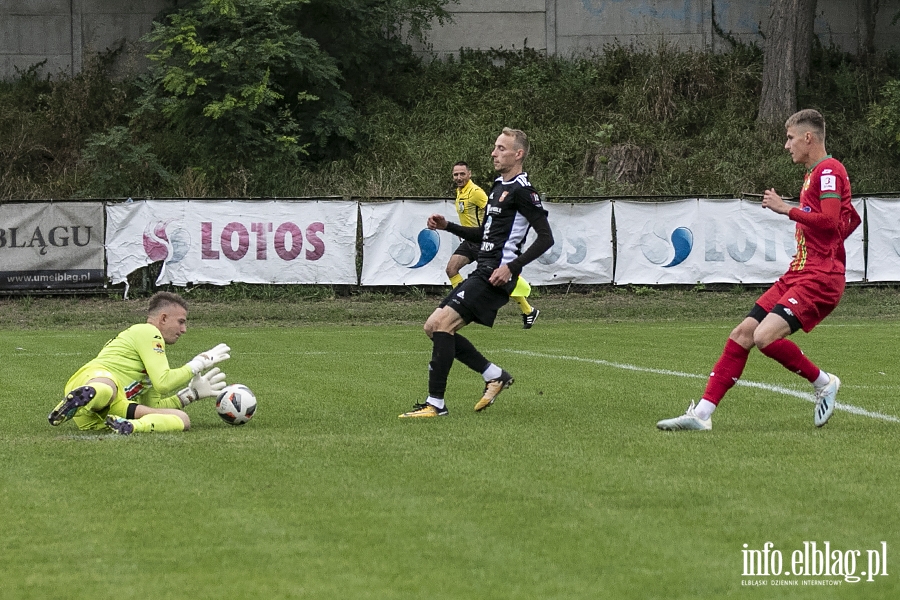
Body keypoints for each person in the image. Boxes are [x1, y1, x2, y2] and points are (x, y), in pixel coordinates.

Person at [657, 109, 861, 431]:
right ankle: (702, 416)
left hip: (820, 278)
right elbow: (841, 224)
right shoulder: (815, 174)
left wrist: (787, 209)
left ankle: (823, 382)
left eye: (790, 137)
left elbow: (832, 222)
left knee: (764, 337)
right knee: (741, 334)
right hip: (800, 272)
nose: (786, 145)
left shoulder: (829, 171)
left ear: (808, 137)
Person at [400, 128, 554, 418]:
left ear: (518, 154)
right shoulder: (498, 187)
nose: (494, 153)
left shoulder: (523, 190)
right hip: (483, 269)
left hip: (496, 275)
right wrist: (449, 227)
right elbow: (485, 232)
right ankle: (494, 375)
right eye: (495, 147)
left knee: (442, 325)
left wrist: (511, 267)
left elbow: (546, 238)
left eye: (501, 148)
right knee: (433, 327)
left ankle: (436, 404)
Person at [48, 291, 231, 435]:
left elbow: (154, 407)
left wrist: (189, 396)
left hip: (106, 412)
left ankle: (129, 426)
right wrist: (198, 363)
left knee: (182, 419)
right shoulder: (147, 332)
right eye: (181, 322)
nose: (184, 330)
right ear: (164, 318)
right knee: (107, 387)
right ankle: (88, 396)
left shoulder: (150, 358)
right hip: (96, 378)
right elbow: (164, 382)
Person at [448, 161, 541, 329]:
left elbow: (494, 207)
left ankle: (529, 311)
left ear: (470, 174)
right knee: (451, 269)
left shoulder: (476, 192)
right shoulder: (460, 192)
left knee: (499, 279)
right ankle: (458, 306)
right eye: (456, 174)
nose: (459, 177)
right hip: (469, 242)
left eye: (462, 174)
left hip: (482, 242)